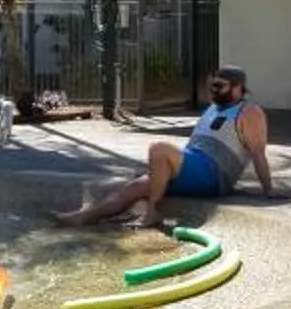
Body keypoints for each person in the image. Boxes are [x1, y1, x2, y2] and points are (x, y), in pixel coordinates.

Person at [54, 67, 275, 227]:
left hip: (214, 174)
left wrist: (268, 189)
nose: (214, 90)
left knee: (159, 149)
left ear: (238, 88)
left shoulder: (249, 112)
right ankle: (83, 218)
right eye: (213, 85)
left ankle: (153, 212)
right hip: (193, 166)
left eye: (220, 86)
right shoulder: (212, 109)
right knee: (134, 184)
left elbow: (258, 152)